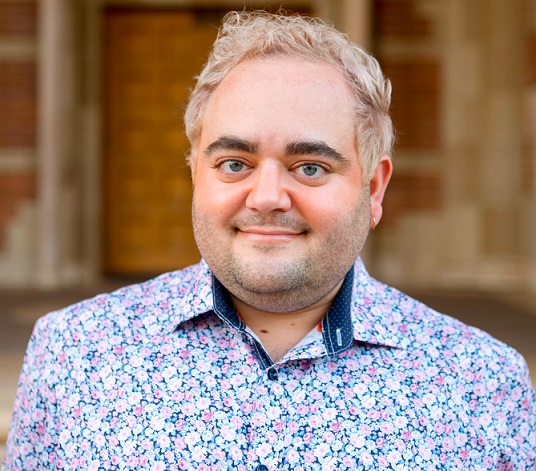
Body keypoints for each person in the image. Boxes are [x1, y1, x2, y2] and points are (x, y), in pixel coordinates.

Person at [3, 10, 535, 471]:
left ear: (373, 189)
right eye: (234, 164)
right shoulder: (74, 354)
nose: (267, 197)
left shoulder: (483, 384)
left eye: (309, 166)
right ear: (196, 175)